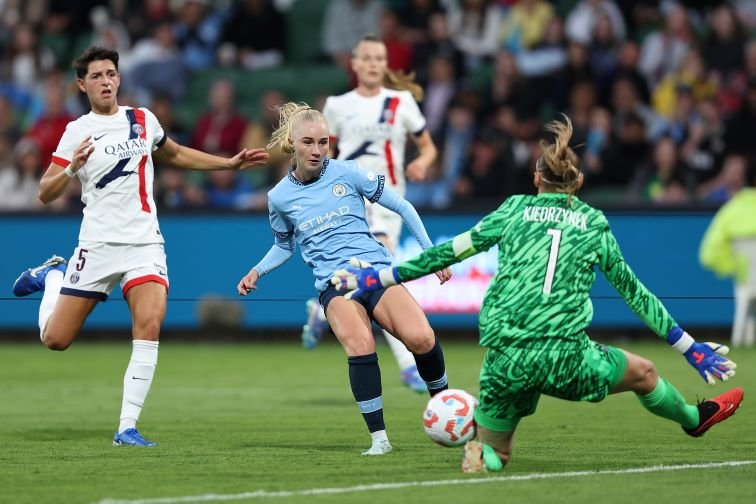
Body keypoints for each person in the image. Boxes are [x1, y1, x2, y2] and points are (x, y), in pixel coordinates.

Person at [332, 116, 742, 471]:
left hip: (506, 359)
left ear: (535, 179)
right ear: (578, 181)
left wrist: (379, 278)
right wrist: (689, 348)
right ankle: (694, 417)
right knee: (645, 374)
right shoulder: (593, 223)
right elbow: (636, 294)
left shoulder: (512, 211)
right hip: (566, 357)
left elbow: (446, 252)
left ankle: (478, 456)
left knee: (495, 453)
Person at [11, 47, 268, 446]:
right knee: (56, 340)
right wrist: (73, 167)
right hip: (96, 245)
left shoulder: (142, 119)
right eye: (96, 76)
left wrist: (227, 164)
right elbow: (45, 191)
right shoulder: (77, 130)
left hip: (144, 242)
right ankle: (53, 277)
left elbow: (177, 154)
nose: (106, 81)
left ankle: (126, 428)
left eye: (111, 73)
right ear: (82, 85)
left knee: (149, 324)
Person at [237, 102, 452, 455]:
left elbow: (402, 206)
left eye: (323, 142)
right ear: (292, 142)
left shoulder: (348, 172)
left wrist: (432, 253)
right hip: (335, 287)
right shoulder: (278, 197)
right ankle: (379, 440)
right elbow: (283, 246)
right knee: (361, 345)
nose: (317, 150)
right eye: (309, 142)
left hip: (375, 274)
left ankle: (445, 410)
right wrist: (257, 270)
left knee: (422, 337)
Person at [302, 34, 439, 394]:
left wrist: (422, 163)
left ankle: (320, 311)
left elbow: (428, 148)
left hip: (387, 200)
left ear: (385, 64)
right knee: (380, 272)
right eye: (368, 58)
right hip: (347, 199)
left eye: (380, 58)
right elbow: (321, 155)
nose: (375, 63)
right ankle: (410, 365)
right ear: (355, 63)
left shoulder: (402, 101)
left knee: (373, 274)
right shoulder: (336, 105)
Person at [700, 163, 756, 347]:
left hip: (746, 279)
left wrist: (732, 267)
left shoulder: (731, 209)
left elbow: (709, 252)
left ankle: (742, 339)